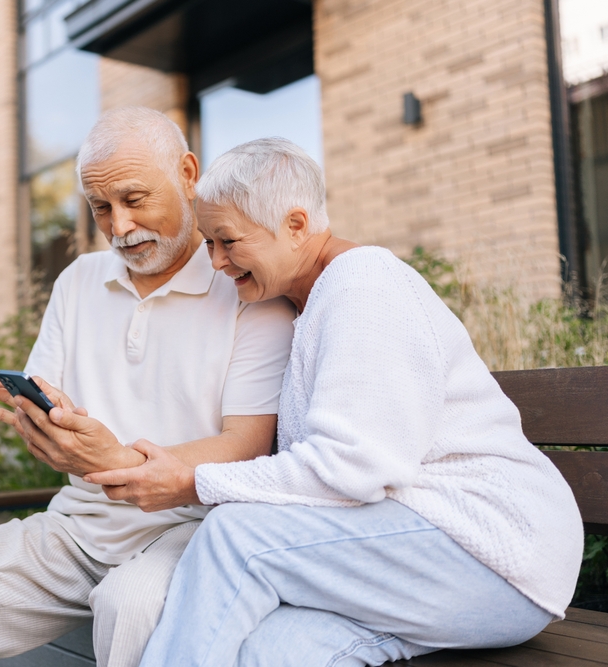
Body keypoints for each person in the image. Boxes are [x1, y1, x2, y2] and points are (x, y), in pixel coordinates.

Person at [31, 137, 584, 666]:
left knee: (238, 536)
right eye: (209, 243)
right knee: (265, 652)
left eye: (228, 240)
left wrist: (190, 481)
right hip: (415, 564)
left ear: (295, 225)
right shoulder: (308, 304)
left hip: (490, 550)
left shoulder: (365, 287)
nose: (217, 262)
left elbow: (355, 467)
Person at [0, 109, 296, 667]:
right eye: (100, 208)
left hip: (189, 531)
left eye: (134, 200)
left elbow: (248, 446)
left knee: (130, 602)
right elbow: (52, 410)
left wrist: (116, 458)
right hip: (76, 528)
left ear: (188, 174)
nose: (119, 227)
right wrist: (45, 431)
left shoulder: (243, 286)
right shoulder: (79, 281)